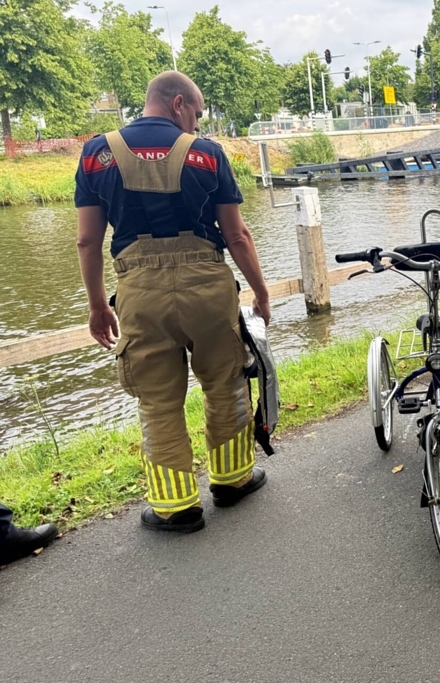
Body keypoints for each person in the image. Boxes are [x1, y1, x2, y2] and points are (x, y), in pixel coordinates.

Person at [74, 71, 273, 533]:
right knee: (225, 383)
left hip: (139, 291)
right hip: (207, 286)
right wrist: (261, 293)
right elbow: (237, 234)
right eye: (198, 115)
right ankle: (231, 481)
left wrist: (98, 305)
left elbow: (87, 241)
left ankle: (175, 507)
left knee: (158, 399)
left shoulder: (96, 155)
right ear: (179, 103)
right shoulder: (207, 154)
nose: (198, 126)